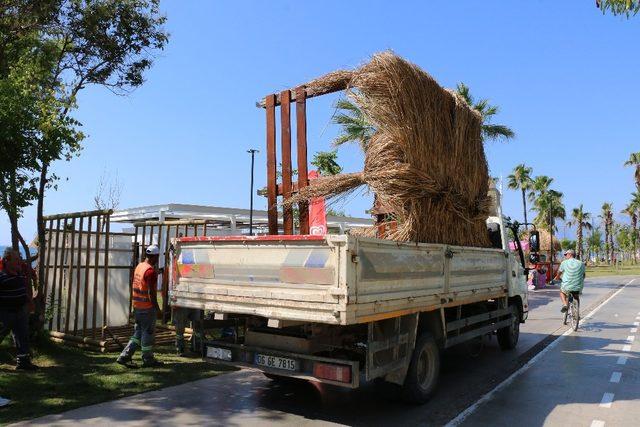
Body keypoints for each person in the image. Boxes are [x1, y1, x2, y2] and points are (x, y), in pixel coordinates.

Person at [117, 245, 163, 367]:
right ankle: (148, 360)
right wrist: (158, 309)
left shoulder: (140, 266)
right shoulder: (150, 271)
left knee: (137, 334)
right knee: (148, 334)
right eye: (157, 257)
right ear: (155, 256)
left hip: (137, 306)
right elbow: (151, 293)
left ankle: (124, 356)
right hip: (147, 308)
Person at [0, 248, 37, 370]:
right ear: (7, 261)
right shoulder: (2, 277)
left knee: (22, 337)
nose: (19, 262)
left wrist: (30, 302)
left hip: (20, 311)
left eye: (19, 259)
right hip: (5, 313)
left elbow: (22, 291)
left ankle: (23, 363)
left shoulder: (19, 274)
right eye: (16, 259)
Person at [554, 249, 586, 313]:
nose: (565, 256)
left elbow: (559, 273)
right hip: (578, 286)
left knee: (562, 292)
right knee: (576, 297)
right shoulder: (581, 263)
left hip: (567, 286)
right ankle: (577, 312)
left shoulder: (564, 262)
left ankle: (565, 304)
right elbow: (583, 275)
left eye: (566, 254)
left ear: (570, 254)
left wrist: (556, 278)